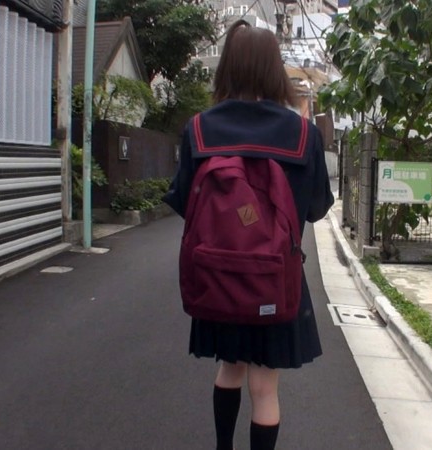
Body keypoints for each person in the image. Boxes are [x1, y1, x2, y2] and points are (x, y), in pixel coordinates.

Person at [162, 20, 334, 450]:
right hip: (275, 278)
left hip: (218, 275)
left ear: (228, 68)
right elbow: (317, 208)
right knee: (264, 388)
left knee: (229, 369)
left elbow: (184, 203)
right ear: (275, 69)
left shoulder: (200, 129)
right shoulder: (303, 134)